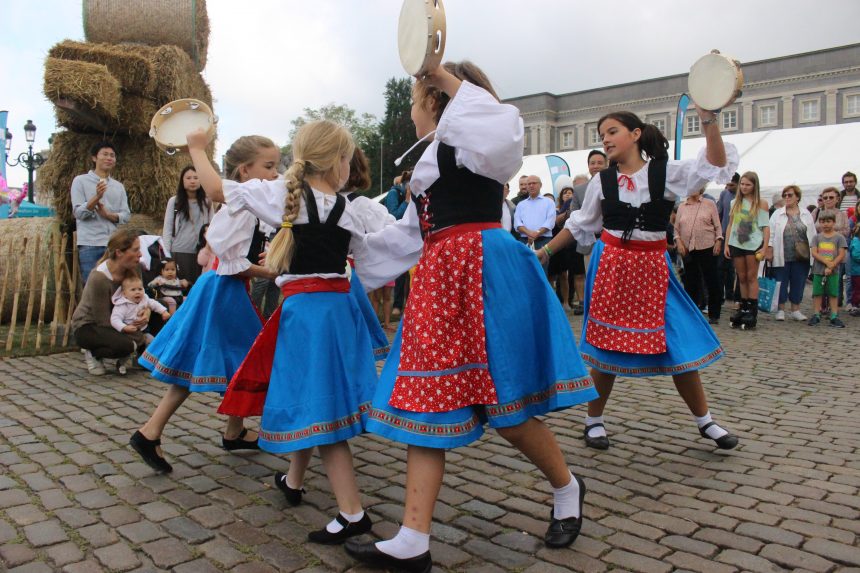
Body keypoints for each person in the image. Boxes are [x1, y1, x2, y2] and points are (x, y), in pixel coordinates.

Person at [345, 62, 598, 571]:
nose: (412, 108)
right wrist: (345, 250)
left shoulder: (476, 141)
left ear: (435, 99)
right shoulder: (427, 166)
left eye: (419, 97)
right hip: (440, 279)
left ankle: (567, 487)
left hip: (485, 272)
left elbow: (500, 122)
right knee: (425, 400)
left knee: (507, 409)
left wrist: (436, 71)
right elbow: (409, 236)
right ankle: (413, 539)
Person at [194, 120, 380, 545]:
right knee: (316, 398)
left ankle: (353, 514)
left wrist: (196, 148)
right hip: (337, 313)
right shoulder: (351, 209)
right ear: (337, 162)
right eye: (348, 158)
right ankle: (294, 481)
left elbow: (217, 190)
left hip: (306, 315)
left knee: (321, 407)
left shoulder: (280, 195)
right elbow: (378, 255)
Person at [539, 108, 739, 453]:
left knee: (678, 346)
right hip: (613, 267)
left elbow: (717, 166)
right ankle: (593, 420)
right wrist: (543, 253)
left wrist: (708, 120)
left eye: (612, 131)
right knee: (606, 349)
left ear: (635, 134)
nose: (605, 139)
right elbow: (579, 225)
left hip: (653, 268)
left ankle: (705, 421)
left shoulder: (667, 172)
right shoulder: (601, 182)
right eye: (601, 134)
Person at [130, 135, 280, 475]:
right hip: (224, 290)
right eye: (269, 166)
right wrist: (270, 270)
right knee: (235, 358)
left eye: (277, 166)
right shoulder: (240, 208)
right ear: (245, 171)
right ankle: (151, 431)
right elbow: (231, 264)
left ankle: (230, 430)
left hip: (223, 290)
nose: (275, 173)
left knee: (237, 359)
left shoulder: (245, 207)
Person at [71, 229, 145, 375]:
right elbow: (103, 320)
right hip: (91, 326)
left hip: (122, 317)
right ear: (119, 253)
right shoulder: (99, 278)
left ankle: (142, 357)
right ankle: (93, 353)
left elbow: (143, 298)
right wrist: (137, 336)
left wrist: (145, 313)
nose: (140, 254)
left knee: (163, 309)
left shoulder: (134, 267)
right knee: (126, 345)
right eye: (135, 250)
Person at [71, 141, 131, 283]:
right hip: (90, 244)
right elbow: (78, 213)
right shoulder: (80, 181)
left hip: (113, 245)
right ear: (94, 158)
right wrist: (96, 197)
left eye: (112, 155)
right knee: (93, 287)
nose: (109, 158)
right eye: (105, 154)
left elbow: (126, 214)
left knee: (116, 287)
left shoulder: (118, 186)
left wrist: (110, 216)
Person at [724, 171, 770, 329]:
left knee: (751, 276)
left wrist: (764, 248)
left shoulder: (761, 204)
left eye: (747, 184)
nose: (744, 187)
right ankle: (743, 306)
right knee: (741, 277)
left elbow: (765, 227)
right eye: (742, 184)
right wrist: (726, 244)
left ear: (754, 186)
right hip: (737, 243)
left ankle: (752, 309)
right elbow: (731, 224)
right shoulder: (735, 202)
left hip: (753, 243)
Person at [674, 187, 723, 324]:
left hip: (707, 246)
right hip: (688, 248)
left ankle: (714, 313)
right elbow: (676, 229)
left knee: (711, 280)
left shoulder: (709, 203)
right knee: (690, 281)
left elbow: (718, 227)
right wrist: (678, 242)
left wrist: (718, 241)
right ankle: (692, 312)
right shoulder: (682, 207)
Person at [766, 185, 815, 322]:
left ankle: (796, 309)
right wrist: (769, 248)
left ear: (797, 197)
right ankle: (780, 309)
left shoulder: (806, 214)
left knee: (798, 281)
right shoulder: (777, 214)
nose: (787, 197)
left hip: (802, 254)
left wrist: (814, 250)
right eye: (785, 195)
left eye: (790, 195)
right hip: (782, 253)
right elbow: (770, 232)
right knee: (781, 281)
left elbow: (812, 234)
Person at [162, 166, 214, 284]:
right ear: (182, 181)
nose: (192, 181)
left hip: (201, 253)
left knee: (198, 287)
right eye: (188, 178)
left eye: (196, 177)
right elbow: (168, 228)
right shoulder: (174, 202)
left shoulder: (207, 202)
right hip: (179, 252)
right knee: (180, 288)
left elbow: (212, 227)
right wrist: (167, 254)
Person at [111, 275, 171, 374]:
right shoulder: (121, 305)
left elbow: (153, 304)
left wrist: (163, 312)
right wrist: (124, 327)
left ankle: (146, 361)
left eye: (140, 289)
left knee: (152, 342)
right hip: (129, 333)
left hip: (143, 330)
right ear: (124, 294)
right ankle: (121, 363)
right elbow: (114, 319)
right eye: (133, 290)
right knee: (129, 350)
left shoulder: (144, 299)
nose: (138, 292)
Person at [808, 210, 848, 327]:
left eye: (828, 221)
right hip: (818, 270)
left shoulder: (839, 238)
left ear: (833, 222)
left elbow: (841, 254)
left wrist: (832, 265)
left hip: (834, 271)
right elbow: (814, 253)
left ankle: (834, 316)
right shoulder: (817, 237)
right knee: (817, 293)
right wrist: (827, 263)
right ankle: (816, 314)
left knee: (833, 293)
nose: (825, 224)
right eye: (823, 221)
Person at [814, 187, 850, 309]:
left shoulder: (842, 214)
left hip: (836, 251)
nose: (828, 200)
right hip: (820, 251)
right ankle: (821, 306)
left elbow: (846, 231)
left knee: (835, 278)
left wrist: (830, 231)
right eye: (825, 197)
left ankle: (833, 304)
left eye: (831, 197)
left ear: (837, 199)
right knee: (819, 277)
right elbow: (812, 230)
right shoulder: (816, 212)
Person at [548, 177, 576, 310]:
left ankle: (566, 302)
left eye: (570, 193)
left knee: (564, 274)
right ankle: (551, 301)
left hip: (565, 245)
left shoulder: (572, 207)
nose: (567, 195)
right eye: (565, 193)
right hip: (552, 242)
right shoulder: (554, 209)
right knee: (551, 275)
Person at [514, 175, 556, 256]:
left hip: (543, 241)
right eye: (529, 184)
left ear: (540, 185)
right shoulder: (521, 205)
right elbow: (517, 224)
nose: (531, 185)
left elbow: (550, 222)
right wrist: (530, 233)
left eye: (534, 183)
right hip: (524, 241)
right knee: (524, 267)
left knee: (542, 267)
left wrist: (536, 233)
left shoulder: (549, 202)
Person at [716, 173, 740, 304]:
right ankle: (721, 292)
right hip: (725, 233)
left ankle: (731, 292)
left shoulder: (742, 197)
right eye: (728, 185)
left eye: (732, 185)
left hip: (739, 236)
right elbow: (719, 214)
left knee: (732, 267)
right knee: (720, 265)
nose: (729, 187)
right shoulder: (724, 194)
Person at [848, 223, 860, 316]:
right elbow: (856, 255)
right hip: (857, 272)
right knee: (857, 289)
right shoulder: (856, 241)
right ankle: (855, 306)